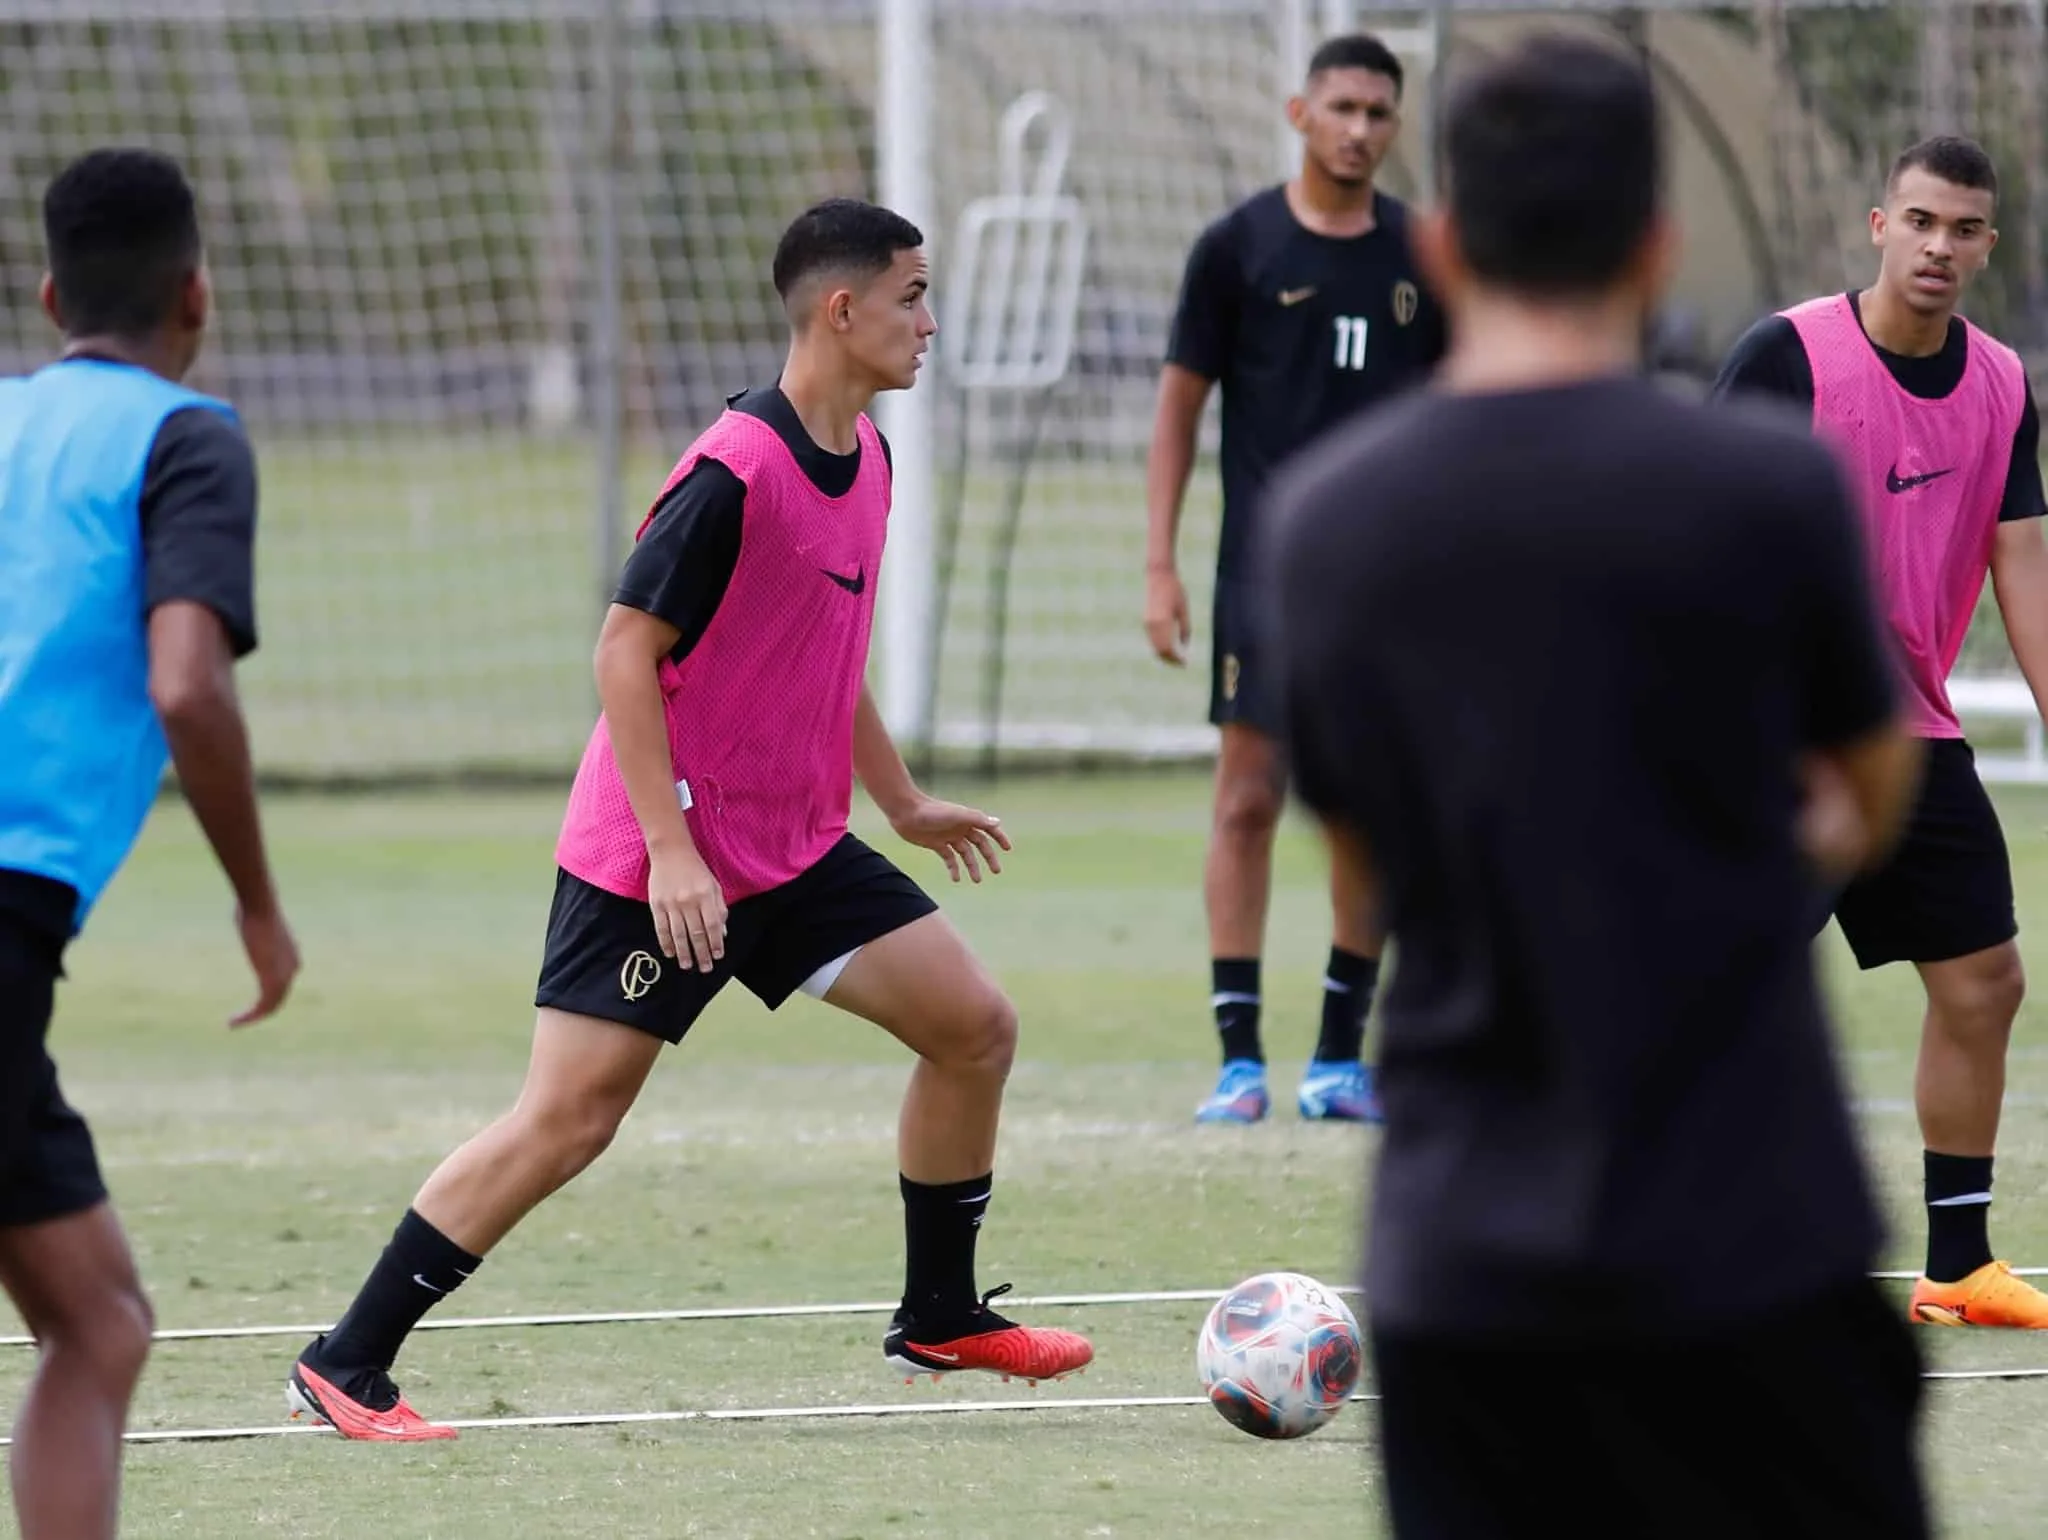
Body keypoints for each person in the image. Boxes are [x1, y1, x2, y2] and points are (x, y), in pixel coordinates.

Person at [1263, 33, 1930, 1537]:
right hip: (1753, 1237)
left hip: (1464, 1269)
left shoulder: (1326, 524)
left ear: (1441, 244)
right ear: (1655, 244)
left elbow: (1360, 848)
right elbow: (1870, 786)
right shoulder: (1768, 488)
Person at [287, 198, 1093, 1441]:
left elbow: (820, 646)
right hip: (654, 858)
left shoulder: (870, 461)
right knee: (570, 1120)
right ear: (842, 309)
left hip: (791, 848)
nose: (929, 322)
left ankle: (938, 1313)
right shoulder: (733, 471)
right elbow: (623, 650)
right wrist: (670, 851)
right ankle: (347, 1360)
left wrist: (899, 800)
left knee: (973, 1027)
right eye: (912, 296)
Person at [0, 148, 299, 1539]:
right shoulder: (188, 441)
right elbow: (187, 684)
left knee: (102, 1316)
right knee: (98, 1323)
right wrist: (257, 903)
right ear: (197, 295)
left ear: (50, 297)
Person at [1712, 134, 2048, 1329]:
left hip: (1905, 730)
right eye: (1918, 221)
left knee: (1982, 980)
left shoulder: (2001, 385)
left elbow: (2022, 563)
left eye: (1961, 229)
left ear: (1986, 245)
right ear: (1876, 225)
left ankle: (1956, 1263)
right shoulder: (1784, 357)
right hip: (1775, 735)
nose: (1936, 246)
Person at [1144, 31, 1447, 1126]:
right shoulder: (1236, 248)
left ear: (1395, 126)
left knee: (1364, 810)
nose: (1358, 129)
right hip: (1265, 580)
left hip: (1392, 589)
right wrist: (1159, 564)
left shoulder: (1425, 254)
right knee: (1247, 797)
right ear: (1298, 114)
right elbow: (1179, 410)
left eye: (1377, 112)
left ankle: (1336, 1058)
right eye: (1341, 108)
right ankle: (1239, 1061)